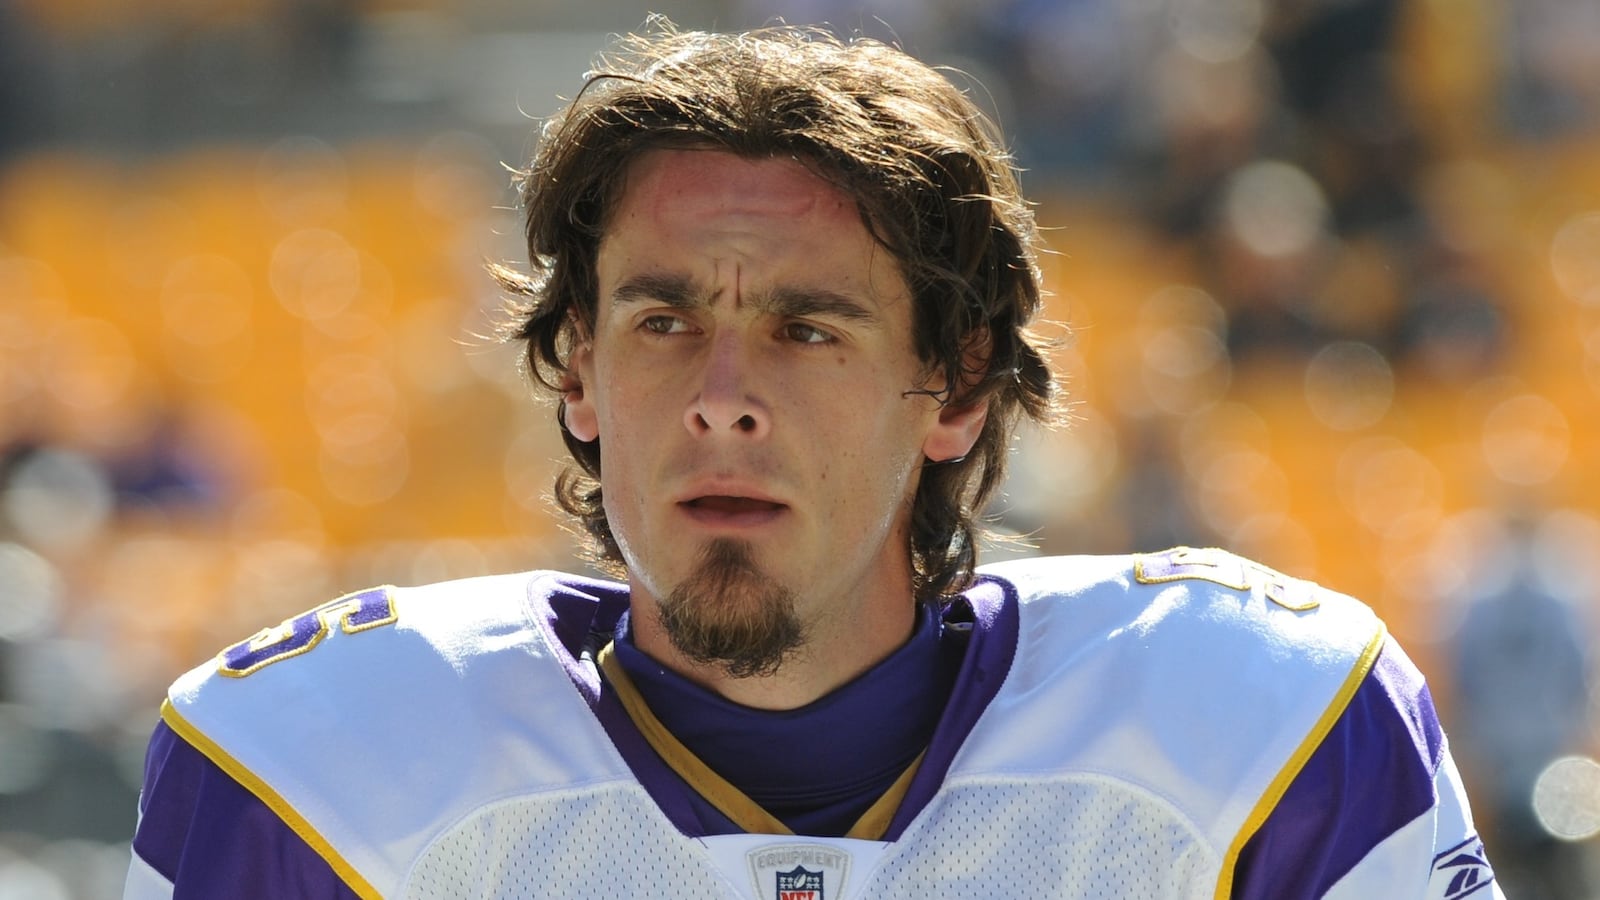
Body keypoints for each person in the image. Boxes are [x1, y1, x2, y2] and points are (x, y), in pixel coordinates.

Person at [123, 20, 1502, 900]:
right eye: (665, 322)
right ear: (582, 373)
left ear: (954, 388)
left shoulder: (1270, 725)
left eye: (805, 329)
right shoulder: (310, 773)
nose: (725, 400)